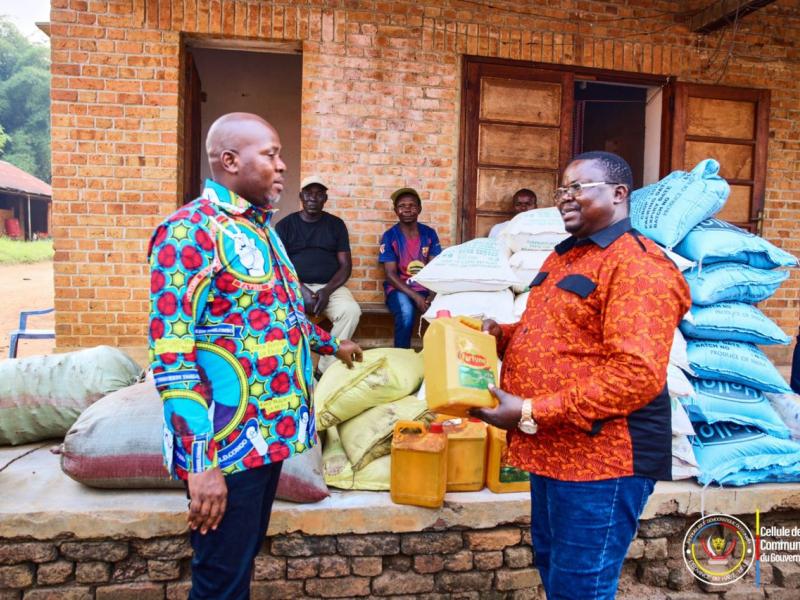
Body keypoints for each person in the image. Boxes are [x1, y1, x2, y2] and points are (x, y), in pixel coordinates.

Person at [147, 112, 362, 600]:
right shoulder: (189, 232)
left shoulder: (263, 232)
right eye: (271, 155)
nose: (282, 167)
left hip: (266, 435)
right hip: (224, 447)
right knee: (219, 579)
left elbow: (276, 316)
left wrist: (332, 343)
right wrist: (200, 465)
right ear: (229, 160)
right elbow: (171, 354)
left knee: (239, 564)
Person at [471, 151, 691, 600]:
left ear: (618, 193)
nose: (565, 198)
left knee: (581, 587)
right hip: (553, 451)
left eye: (578, 188)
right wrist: (501, 335)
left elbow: (636, 375)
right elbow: (556, 332)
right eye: (562, 190)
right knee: (556, 571)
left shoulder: (638, 266)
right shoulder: (563, 258)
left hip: (602, 464)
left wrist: (531, 410)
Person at [276, 175, 361, 373]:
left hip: (331, 286)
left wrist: (327, 291)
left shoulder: (336, 225)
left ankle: (326, 369)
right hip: (295, 285)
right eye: (308, 193)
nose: (313, 197)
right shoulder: (285, 226)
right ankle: (295, 367)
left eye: (319, 194)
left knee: (351, 311)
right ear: (301, 196)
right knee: (284, 316)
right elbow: (279, 267)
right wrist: (302, 289)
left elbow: (345, 266)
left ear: (325, 199)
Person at [378, 187, 442, 348]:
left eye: (412, 205)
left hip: (427, 289)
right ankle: (402, 361)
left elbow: (436, 268)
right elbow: (390, 275)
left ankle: (439, 360)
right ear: (395, 211)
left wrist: (433, 294)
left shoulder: (429, 234)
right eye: (402, 206)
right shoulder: (390, 236)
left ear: (419, 209)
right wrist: (416, 297)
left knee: (444, 313)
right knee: (406, 313)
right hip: (399, 290)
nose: (407, 209)